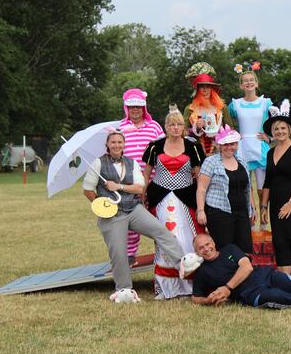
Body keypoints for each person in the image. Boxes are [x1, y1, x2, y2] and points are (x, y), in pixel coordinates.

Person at [82, 130, 183, 300]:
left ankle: (182, 264)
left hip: (133, 209)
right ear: (107, 144)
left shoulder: (131, 163)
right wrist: (101, 205)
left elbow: (139, 188)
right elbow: (87, 190)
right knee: (119, 252)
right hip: (112, 215)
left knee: (161, 231)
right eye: (113, 142)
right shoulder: (98, 164)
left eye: (119, 142)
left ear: (124, 144)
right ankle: (124, 290)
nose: (116, 145)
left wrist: (119, 186)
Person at [142, 106, 206, 299]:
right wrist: (143, 192)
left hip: (186, 198)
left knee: (187, 238)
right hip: (161, 197)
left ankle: (189, 284)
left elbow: (199, 174)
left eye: (179, 124)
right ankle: (166, 287)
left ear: (184, 127)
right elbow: (147, 173)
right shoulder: (155, 146)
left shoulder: (193, 146)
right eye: (172, 124)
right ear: (166, 127)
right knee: (165, 237)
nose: (176, 128)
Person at [260, 103, 291, 278]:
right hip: (275, 203)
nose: (280, 131)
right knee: (279, 241)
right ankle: (286, 282)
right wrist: (263, 207)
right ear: (272, 132)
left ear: (289, 129)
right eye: (276, 129)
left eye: (283, 128)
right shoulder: (270, 152)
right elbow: (267, 181)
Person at [118, 88, 165, 266]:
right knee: (131, 219)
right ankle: (129, 254)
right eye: (132, 107)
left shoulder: (154, 127)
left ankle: (163, 250)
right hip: (129, 182)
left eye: (138, 107)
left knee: (158, 217)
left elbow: (162, 149)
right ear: (126, 108)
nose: (135, 110)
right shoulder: (120, 127)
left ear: (144, 108)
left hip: (154, 180)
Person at [196, 125, 256, 254]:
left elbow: (248, 187)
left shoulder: (242, 162)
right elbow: (201, 189)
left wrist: (252, 209)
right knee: (225, 250)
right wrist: (200, 210)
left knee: (245, 250)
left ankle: (243, 273)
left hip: (241, 212)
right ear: (220, 145)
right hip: (219, 212)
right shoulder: (210, 162)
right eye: (226, 144)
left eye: (233, 144)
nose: (229, 147)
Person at [228, 66, 272, 230]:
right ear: (241, 85)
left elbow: (275, 122)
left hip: (260, 146)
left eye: (251, 80)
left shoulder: (265, 103)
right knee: (246, 186)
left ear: (256, 83)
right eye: (245, 81)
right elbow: (230, 123)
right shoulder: (235, 105)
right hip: (242, 146)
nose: (248, 83)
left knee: (262, 187)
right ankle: (250, 219)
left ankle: (264, 218)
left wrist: (270, 137)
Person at [183, 62, 232, 156]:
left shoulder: (222, 108)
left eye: (208, 86)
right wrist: (196, 127)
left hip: (220, 153)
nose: (205, 90)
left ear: (212, 88)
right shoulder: (189, 109)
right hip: (196, 154)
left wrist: (219, 132)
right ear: (197, 89)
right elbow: (183, 134)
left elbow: (230, 130)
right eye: (202, 86)